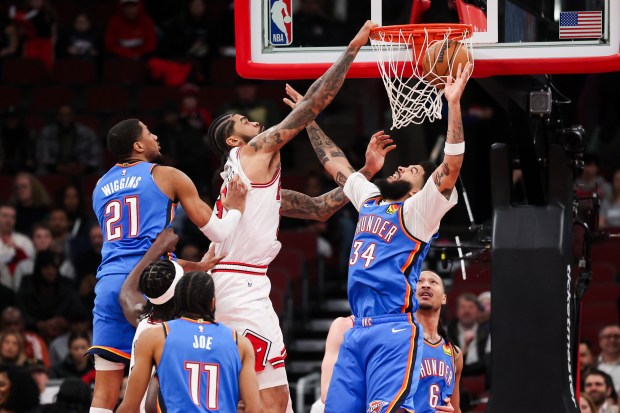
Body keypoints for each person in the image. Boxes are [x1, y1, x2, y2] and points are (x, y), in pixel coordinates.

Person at [205, 20, 379, 413]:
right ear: (234, 141)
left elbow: (319, 209)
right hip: (238, 282)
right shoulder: (251, 154)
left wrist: (365, 174)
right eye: (241, 121)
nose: (252, 119)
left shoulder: (253, 184)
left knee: (258, 397)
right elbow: (314, 102)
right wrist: (352, 48)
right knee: (272, 400)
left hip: (237, 283)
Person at [283, 60, 471, 412]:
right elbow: (335, 163)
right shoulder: (370, 200)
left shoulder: (419, 213)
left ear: (421, 190)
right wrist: (306, 120)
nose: (400, 167)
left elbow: (451, 167)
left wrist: (454, 105)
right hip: (357, 328)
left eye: (411, 170)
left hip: (393, 328)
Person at [87, 118, 248, 413]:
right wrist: (236, 208)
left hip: (109, 283)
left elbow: (128, 248)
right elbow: (219, 232)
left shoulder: (100, 185)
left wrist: (186, 265)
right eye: (149, 133)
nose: (155, 135)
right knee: (163, 383)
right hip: (153, 285)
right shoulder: (167, 175)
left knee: (103, 395)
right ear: (138, 145)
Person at [116, 271, 261, 413]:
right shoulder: (240, 343)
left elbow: (130, 407)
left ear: (177, 300)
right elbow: (254, 409)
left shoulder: (155, 336)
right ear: (212, 302)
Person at [447, 293, 490, 376]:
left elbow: (489, 361)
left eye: (471, 307)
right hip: (454, 377)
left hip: (482, 376)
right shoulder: (447, 332)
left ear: (477, 311)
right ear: (457, 311)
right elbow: (449, 363)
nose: (467, 311)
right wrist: (465, 346)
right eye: (463, 307)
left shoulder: (487, 331)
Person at [597, 325, 620, 393]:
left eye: (616, 336)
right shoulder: (591, 363)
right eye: (607, 337)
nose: (612, 340)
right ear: (600, 341)